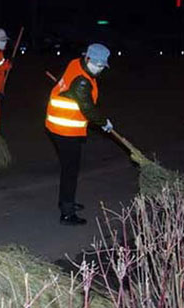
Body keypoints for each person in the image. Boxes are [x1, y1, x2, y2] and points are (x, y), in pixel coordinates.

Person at [45, 43, 114, 226]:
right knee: (70, 171)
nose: (99, 70)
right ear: (88, 59)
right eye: (97, 65)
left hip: (56, 125)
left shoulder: (75, 63)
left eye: (102, 66)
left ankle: (66, 201)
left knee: (69, 168)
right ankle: (67, 213)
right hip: (65, 130)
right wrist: (104, 122)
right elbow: (88, 109)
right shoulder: (82, 81)